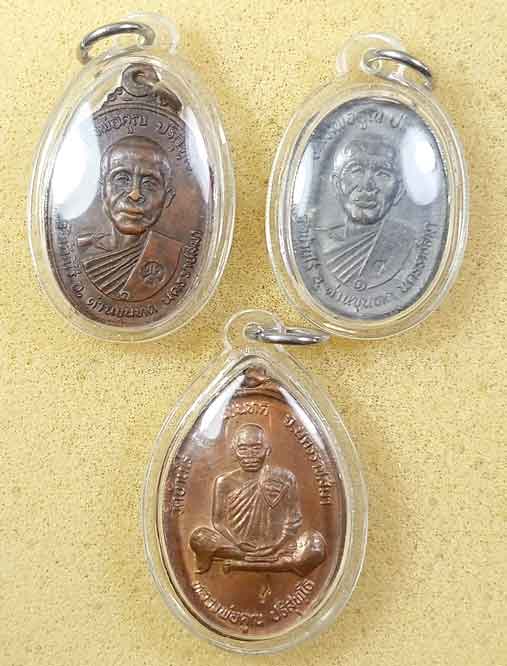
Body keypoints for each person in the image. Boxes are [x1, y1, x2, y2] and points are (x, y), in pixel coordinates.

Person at [190, 423, 326, 577]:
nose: (250, 455)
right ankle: (277, 562)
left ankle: (259, 559)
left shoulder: (284, 478)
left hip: (277, 546)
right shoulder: (224, 482)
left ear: (267, 450)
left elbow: (293, 520)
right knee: (199, 537)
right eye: (243, 449)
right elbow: (218, 522)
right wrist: (238, 542)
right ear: (234, 452)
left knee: (314, 545)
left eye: (256, 448)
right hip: (237, 546)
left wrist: (277, 545)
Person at [77, 135, 182, 301]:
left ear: (167, 197)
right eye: (122, 179)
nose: (134, 194)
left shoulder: (173, 255)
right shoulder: (82, 248)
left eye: (149, 183)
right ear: (101, 190)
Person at [326, 133, 414, 290]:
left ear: (399, 191)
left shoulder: (410, 245)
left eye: (382, 174)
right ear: (336, 184)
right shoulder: (318, 244)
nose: (367, 185)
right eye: (357, 171)